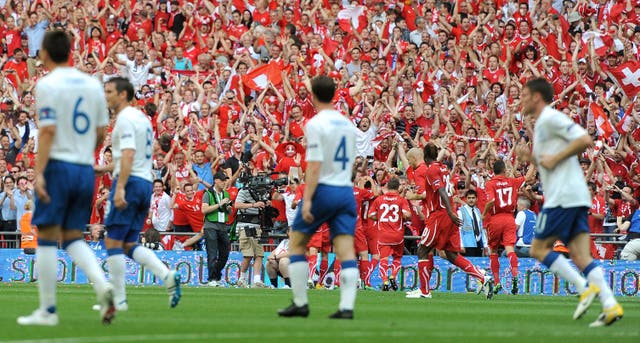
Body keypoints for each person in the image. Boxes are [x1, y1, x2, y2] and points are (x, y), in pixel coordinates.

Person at [18, 30, 115, 326]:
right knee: (72, 235)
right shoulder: (91, 84)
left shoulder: (47, 84)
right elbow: (101, 131)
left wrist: (39, 173)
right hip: (84, 169)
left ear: (44, 53)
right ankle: (103, 285)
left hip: (58, 166)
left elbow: (46, 131)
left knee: (46, 236)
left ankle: (47, 311)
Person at [518, 77, 622, 327]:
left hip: (562, 197)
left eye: (524, 95)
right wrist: (533, 159)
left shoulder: (551, 118)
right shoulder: (543, 125)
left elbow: (585, 140)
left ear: (536, 97)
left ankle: (582, 286)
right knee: (580, 255)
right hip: (572, 194)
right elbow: (551, 163)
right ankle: (610, 305)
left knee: (538, 249)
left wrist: (554, 158)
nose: (521, 100)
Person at [278, 75, 359, 319]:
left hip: (324, 187)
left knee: (297, 242)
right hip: (345, 190)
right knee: (345, 248)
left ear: (312, 96)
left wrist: (309, 199)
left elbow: (313, 165)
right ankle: (346, 307)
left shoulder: (315, 124)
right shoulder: (346, 124)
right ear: (335, 94)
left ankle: (301, 302)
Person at [101, 77, 181, 312]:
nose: (106, 96)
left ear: (123, 94)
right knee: (127, 243)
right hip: (144, 182)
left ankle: (119, 300)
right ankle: (167, 276)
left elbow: (127, 155)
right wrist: (103, 169)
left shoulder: (125, 119)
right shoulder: (142, 119)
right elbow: (134, 157)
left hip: (130, 182)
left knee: (113, 240)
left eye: (109, 91)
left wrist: (121, 186)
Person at [407, 143, 493, 299]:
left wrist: (449, 213)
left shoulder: (431, 170)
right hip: (448, 213)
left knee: (422, 250)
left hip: (440, 215)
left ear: (424, 156)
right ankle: (481, 277)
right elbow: (448, 190)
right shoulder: (444, 168)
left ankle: (424, 291)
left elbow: (441, 192)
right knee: (450, 254)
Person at [483, 159, 525, 295]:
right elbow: (528, 177)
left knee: (493, 250)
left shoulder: (490, 184)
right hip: (509, 218)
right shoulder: (512, 182)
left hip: (495, 219)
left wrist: (484, 214)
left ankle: (496, 283)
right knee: (510, 249)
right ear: (504, 170)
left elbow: (491, 201)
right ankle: (514, 274)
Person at [368, 177, 411, 291]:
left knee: (383, 259)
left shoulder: (379, 199)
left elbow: (370, 215)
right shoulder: (401, 200)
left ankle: (385, 281)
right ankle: (393, 276)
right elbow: (408, 215)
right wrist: (400, 217)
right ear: (398, 187)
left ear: (387, 187)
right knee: (397, 258)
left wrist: (381, 218)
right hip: (397, 235)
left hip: (383, 235)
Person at [234, 180, 268, 288]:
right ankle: (242, 278)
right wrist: (254, 204)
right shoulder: (244, 191)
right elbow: (237, 205)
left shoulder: (262, 193)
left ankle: (256, 280)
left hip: (257, 225)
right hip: (245, 225)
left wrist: (266, 204)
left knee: (259, 254)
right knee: (248, 255)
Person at [201, 171, 233, 287]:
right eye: (223, 180)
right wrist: (220, 204)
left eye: (225, 180)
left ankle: (216, 275)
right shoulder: (208, 194)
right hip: (211, 225)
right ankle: (212, 278)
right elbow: (204, 210)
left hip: (223, 225)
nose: (225, 182)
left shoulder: (226, 194)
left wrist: (229, 208)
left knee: (225, 253)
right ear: (216, 181)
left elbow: (229, 212)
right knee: (212, 253)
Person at [457, 189, 487, 257]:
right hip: (467, 244)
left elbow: (481, 228)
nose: (471, 200)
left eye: (473, 198)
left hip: (478, 243)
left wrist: (485, 245)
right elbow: (459, 230)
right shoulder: (461, 211)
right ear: (466, 199)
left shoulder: (477, 211)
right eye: (469, 198)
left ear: (476, 199)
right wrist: (461, 245)